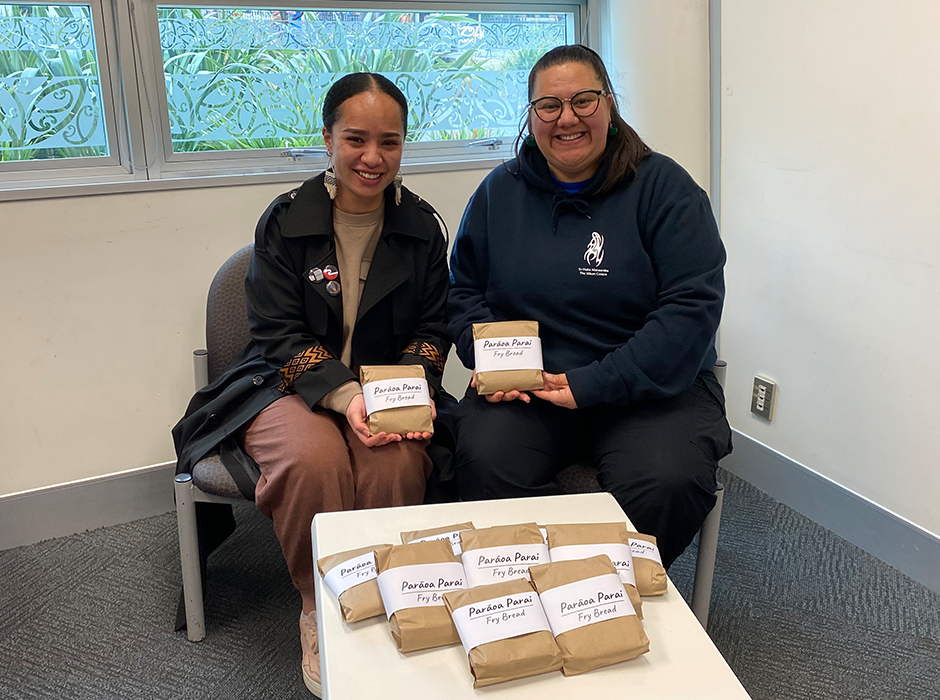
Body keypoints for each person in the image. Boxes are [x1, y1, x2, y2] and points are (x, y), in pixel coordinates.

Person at [172, 73, 452, 697]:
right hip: (284, 384)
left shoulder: (423, 228)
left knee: (396, 462)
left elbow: (435, 327)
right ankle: (316, 605)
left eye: (390, 141)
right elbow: (274, 330)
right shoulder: (284, 221)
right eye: (355, 138)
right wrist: (346, 396)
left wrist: (400, 391)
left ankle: (388, 594)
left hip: (389, 383)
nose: (372, 157)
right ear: (327, 139)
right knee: (312, 459)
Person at [448, 45, 732, 570]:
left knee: (667, 481)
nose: (567, 118)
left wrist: (594, 383)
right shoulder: (498, 194)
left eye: (583, 100)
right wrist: (493, 360)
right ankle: (526, 591)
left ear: (610, 104)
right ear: (531, 116)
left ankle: (606, 600)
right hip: (532, 386)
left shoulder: (666, 190)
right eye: (548, 106)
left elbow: (690, 311)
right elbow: (463, 291)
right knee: (482, 456)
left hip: (651, 390)